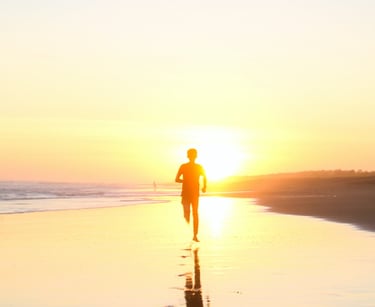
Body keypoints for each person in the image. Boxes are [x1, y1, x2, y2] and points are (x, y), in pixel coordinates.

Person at [175, 148, 207, 242]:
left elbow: (177, 179)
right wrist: (204, 186)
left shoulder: (188, 166)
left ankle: (195, 235)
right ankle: (195, 235)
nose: (192, 157)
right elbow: (176, 179)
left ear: (188, 156)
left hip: (191, 193)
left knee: (194, 213)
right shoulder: (187, 166)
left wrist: (185, 181)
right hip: (190, 193)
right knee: (193, 213)